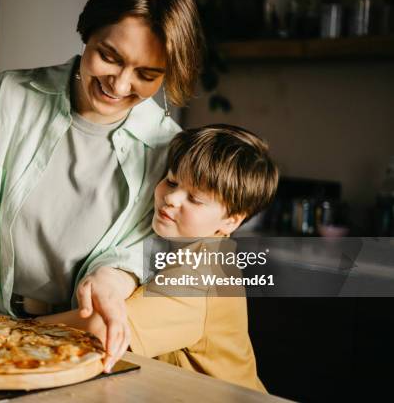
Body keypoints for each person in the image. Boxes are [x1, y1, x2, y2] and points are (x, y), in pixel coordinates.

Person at [0, 0, 204, 373]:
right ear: (88, 33)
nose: (120, 83)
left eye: (147, 75)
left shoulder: (168, 147)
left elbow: (147, 245)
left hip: (77, 338)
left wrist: (114, 277)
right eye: (109, 56)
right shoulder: (5, 98)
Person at [40, 125, 278, 392]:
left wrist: (8, 328)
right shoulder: (188, 248)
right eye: (172, 181)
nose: (171, 198)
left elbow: (99, 328)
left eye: (195, 199)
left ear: (231, 220)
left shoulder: (200, 276)